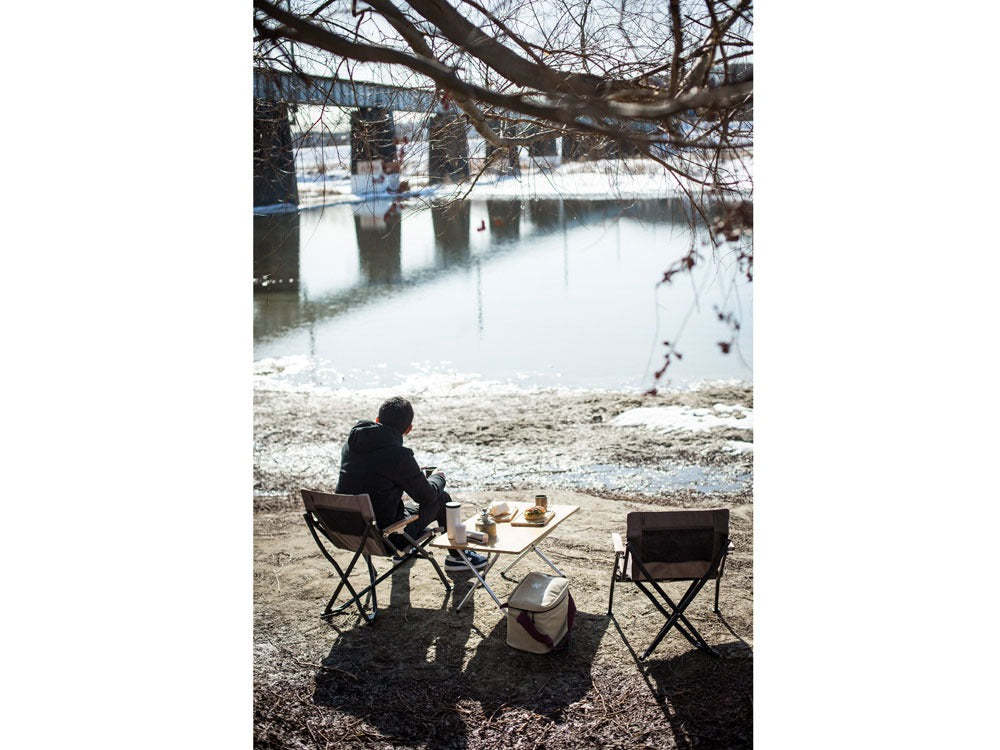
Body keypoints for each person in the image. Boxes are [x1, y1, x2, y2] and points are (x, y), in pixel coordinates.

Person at [335, 396, 488, 571]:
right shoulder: (398, 456)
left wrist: (413, 475)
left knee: (398, 504)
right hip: (387, 538)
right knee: (442, 499)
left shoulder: (351, 444)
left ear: (377, 420)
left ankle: (405, 555)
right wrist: (439, 477)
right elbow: (427, 497)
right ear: (408, 429)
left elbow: (374, 477)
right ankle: (458, 558)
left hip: (347, 531)